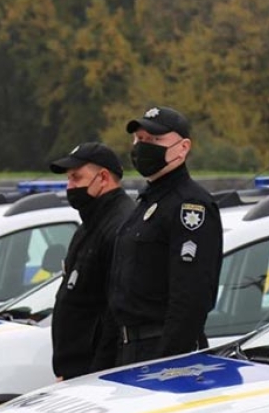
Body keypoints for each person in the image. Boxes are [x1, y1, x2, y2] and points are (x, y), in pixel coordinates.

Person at [108, 106, 222, 365]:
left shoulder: (190, 205)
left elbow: (189, 300)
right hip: (129, 349)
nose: (143, 146)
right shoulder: (148, 201)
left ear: (182, 148)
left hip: (161, 351)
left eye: (155, 140)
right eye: (140, 139)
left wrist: (166, 365)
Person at [48, 142, 135, 380]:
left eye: (76, 178)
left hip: (95, 372)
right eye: (68, 179)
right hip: (77, 368)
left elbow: (114, 314)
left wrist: (97, 374)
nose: (70, 187)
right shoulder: (91, 224)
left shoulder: (119, 225)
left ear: (103, 178)